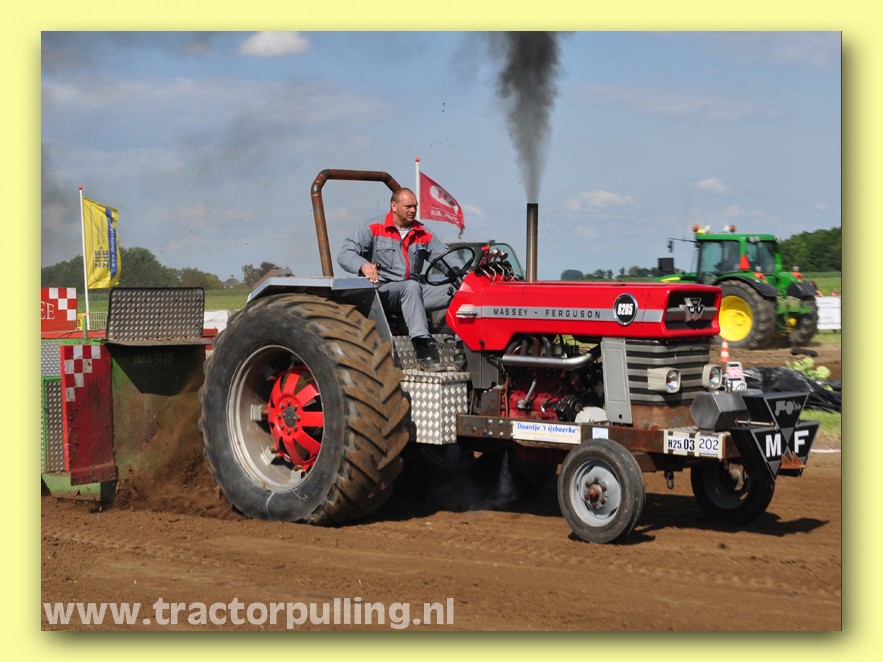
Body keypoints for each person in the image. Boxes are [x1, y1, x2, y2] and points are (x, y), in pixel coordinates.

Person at [337, 187, 454, 371]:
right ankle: (422, 348)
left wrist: (469, 276)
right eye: (408, 206)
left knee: (459, 291)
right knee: (411, 287)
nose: (413, 210)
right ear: (393, 206)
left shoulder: (422, 232)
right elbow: (345, 253)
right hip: (383, 292)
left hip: (413, 292)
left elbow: (447, 259)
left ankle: (461, 344)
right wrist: (363, 265)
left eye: (415, 206)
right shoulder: (374, 227)